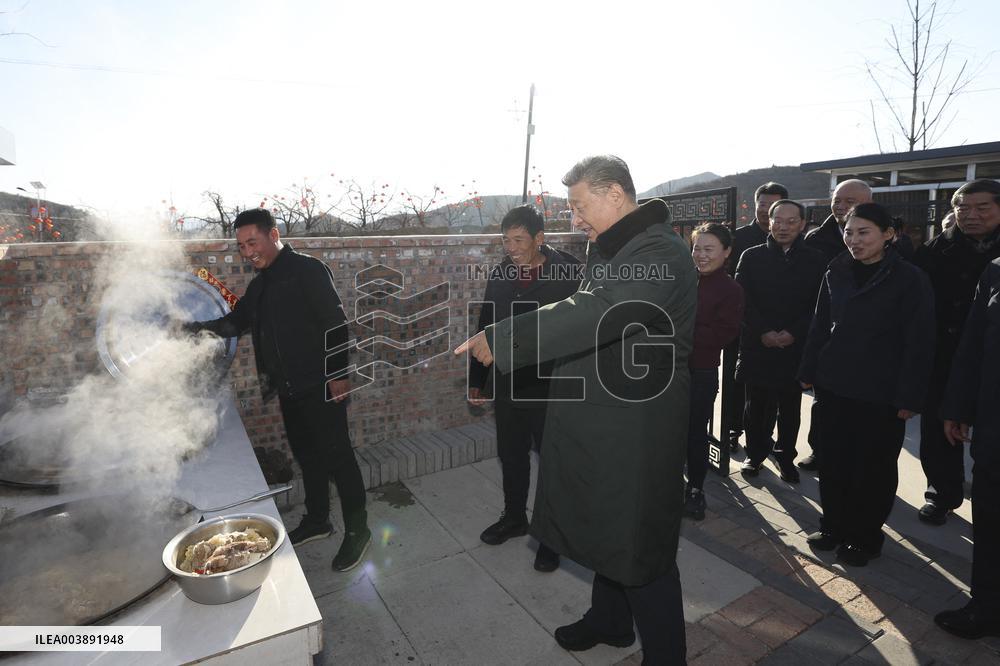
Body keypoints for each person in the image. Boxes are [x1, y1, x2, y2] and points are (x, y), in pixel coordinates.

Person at [457, 155, 696, 664]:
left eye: (580, 206)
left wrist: (507, 337)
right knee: (607, 529)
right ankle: (609, 621)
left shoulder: (659, 250)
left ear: (615, 195)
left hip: (638, 425)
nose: (575, 219)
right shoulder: (613, 246)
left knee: (640, 545)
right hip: (604, 416)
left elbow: (601, 311)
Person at [184, 208, 371, 572]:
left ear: (274, 234)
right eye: (240, 246)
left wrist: (338, 374)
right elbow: (235, 322)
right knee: (308, 456)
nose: (247, 251)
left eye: (252, 242)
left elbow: (336, 323)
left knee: (339, 460)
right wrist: (189, 329)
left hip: (321, 385)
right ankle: (319, 519)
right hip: (289, 389)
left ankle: (358, 532)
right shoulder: (261, 284)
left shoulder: (308, 270)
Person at [799, 202, 934, 567]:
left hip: (881, 392)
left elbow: (919, 342)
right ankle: (833, 527)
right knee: (833, 462)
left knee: (871, 469)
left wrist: (910, 395)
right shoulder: (837, 269)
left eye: (864, 232)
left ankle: (865, 536)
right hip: (834, 384)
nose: (853, 240)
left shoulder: (909, 278)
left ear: (888, 234)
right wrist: (809, 368)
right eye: (848, 232)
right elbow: (819, 323)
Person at [469, 205, 582, 572]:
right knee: (512, 454)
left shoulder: (569, 273)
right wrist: (476, 380)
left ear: (539, 238)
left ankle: (553, 536)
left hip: (552, 385)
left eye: (519, 240)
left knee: (553, 461)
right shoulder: (501, 273)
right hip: (508, 383)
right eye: (506, 240)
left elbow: (580, 328)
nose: (512, 247)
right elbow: (485, 324)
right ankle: (515, 518)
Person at [914, 179, 1000, 525]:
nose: (971, 215)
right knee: (939, 431)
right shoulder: (935, 251)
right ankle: (942, 493)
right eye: (962, 208)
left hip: (991, 357)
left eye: (982, 208)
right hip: (946, 356)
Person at [735, 200, 825, 484]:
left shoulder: (816, 259)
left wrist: (794, 332)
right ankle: (755, 454)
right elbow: (741, 300)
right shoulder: (751, 256)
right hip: (757, 345)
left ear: (802, 224)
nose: (783, 227)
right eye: (778, 220)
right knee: (756, 406)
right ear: (769, 222)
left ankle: (786, 457)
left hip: (794, 347)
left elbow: (820, 305)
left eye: (791, 221)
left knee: (790, 408)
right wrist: (762, 331)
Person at [935, 257, 1000, 639]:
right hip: (994, 425)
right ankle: (986, 607)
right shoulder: (995, 269)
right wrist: (958, 407)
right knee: (991, 520)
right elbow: (973, 343)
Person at [799, 179, 873, 472]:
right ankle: (820, 450)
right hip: (828, 336)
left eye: (850, 201)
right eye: (837, 200)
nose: (841, 206)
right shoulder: (816, 239)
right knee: (824, 402)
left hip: (871, 343)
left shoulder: (890, 239)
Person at [721, 182, 788, 452]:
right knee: (736, 383)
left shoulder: (791, 241)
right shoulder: (737, 238)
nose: (766, 210)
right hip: (741, 324)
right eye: (762, 204)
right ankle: (732, 430)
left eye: (773, 205)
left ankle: (762, 436)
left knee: (770, 388)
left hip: (777, 328)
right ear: (756, 203)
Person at [684, 223, 744, 520]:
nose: (701, 255)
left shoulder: (730, 289)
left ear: (727, 252)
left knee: (695, 434)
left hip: (701, 372)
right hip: (666, 370)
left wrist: (678, 332)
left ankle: (695, 490)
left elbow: (723, 335)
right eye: (696, 248)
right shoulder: (680, 280)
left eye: (709, 249)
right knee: (665, 432)